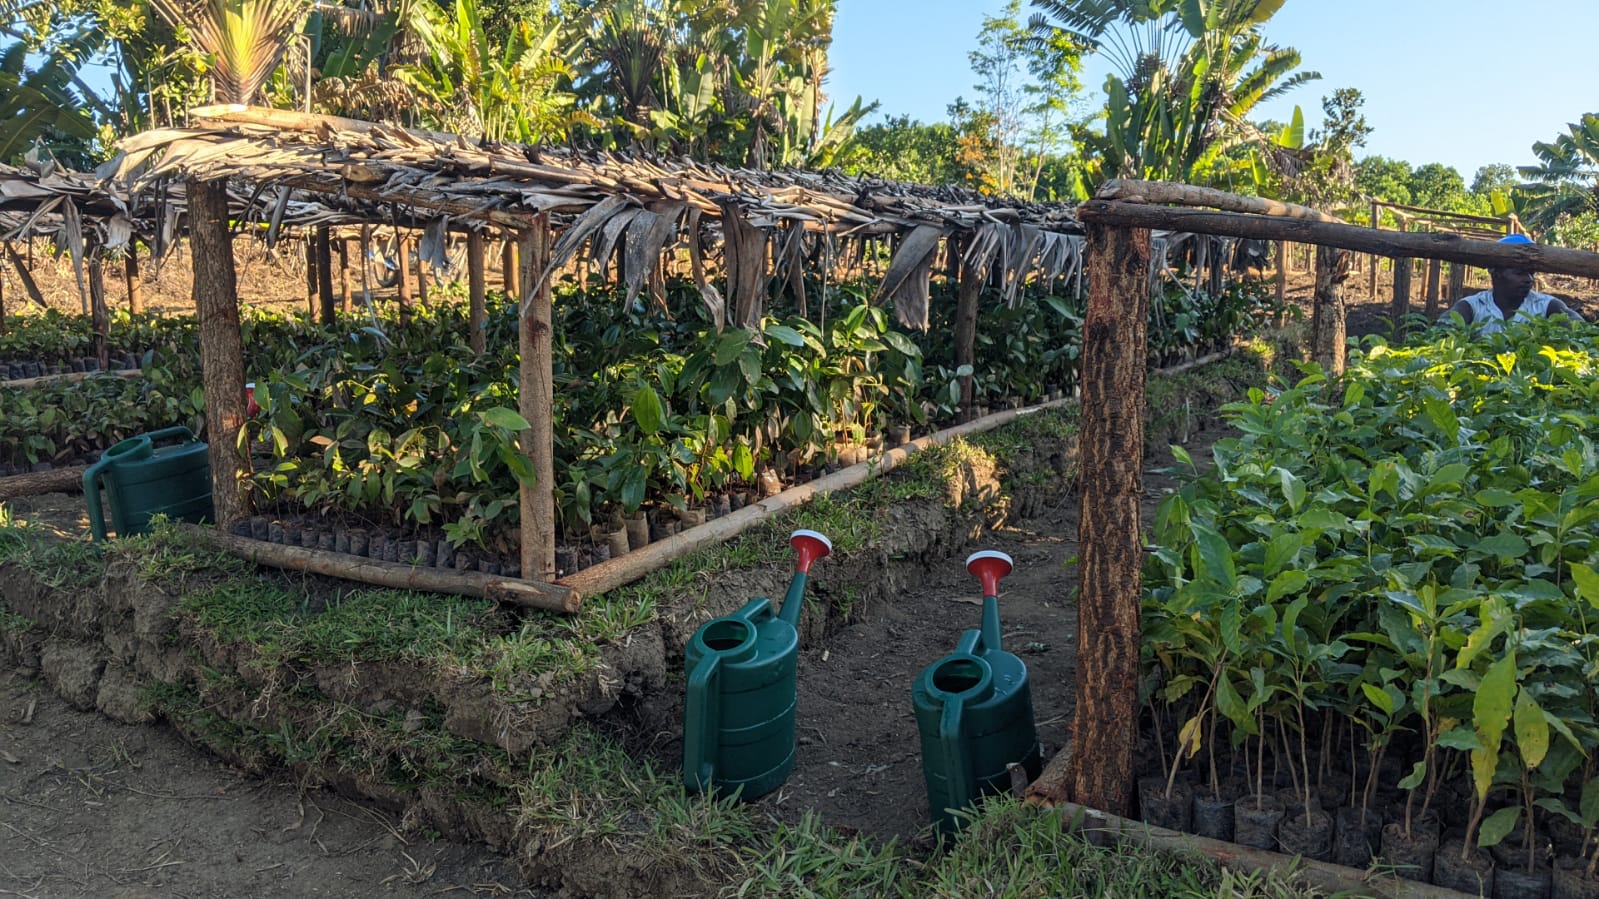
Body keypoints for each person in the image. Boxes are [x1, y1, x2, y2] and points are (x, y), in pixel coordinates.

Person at [1444, 233, 1583, 332]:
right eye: (1520, 273)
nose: (1529, 279)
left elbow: (1582, 330)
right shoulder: (1472, 306)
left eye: (1531, 273)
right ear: (1496, 274)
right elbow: (1442, 329)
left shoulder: (1547, 306)